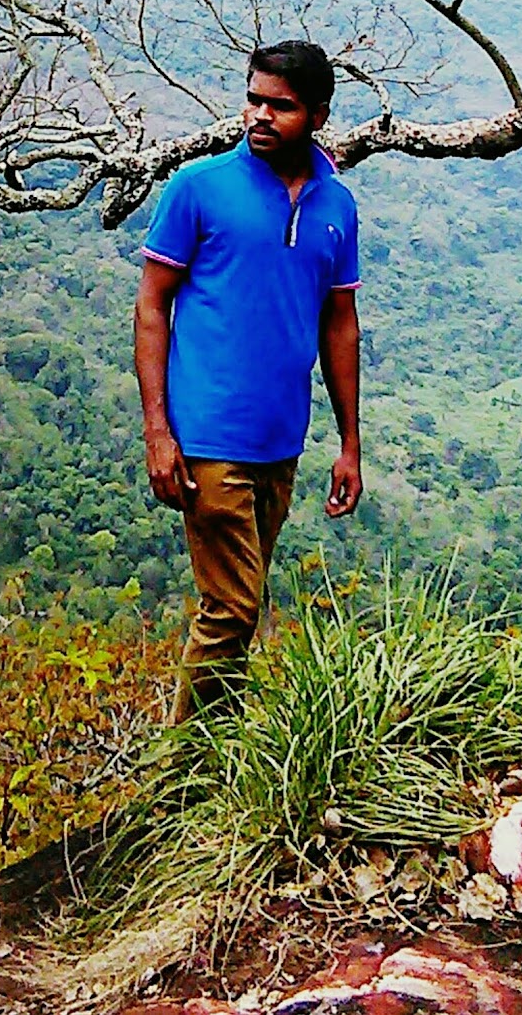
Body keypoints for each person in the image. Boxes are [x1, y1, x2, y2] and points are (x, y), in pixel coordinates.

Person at [133, 40, 363, 724]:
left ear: (317, 115)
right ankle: (182, 784)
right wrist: (158, 432)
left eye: (281, 106)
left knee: (240, 603)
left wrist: (349, 443)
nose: (259, 115)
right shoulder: (198, 188)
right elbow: (152, 305)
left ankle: (215, 760)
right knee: (231, 606)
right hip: (210, 433)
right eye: (254, 98)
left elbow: (340, 324)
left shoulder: (337, 206)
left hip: (281, 439)